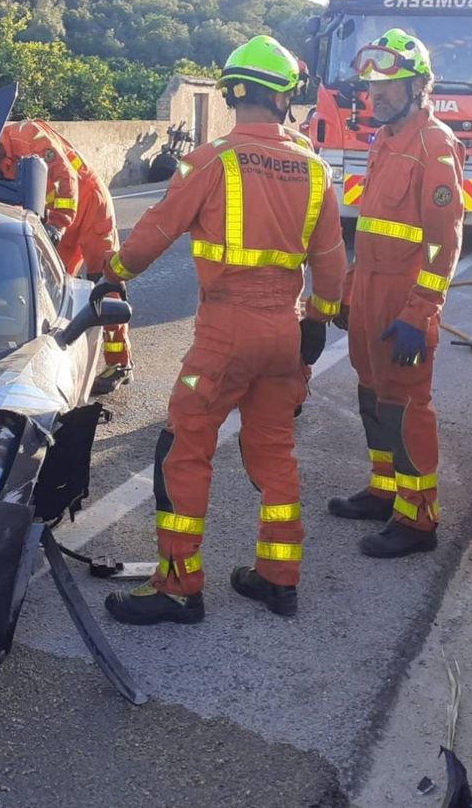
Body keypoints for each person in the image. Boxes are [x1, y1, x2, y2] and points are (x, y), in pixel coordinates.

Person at [100, 35, 347, 625]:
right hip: (284, 333)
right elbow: (333, 263)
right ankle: (278, 578)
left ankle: (180, 586)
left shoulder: (211, 161)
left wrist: (108, 274)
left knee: (186, 450)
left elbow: (154, 233)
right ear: (285, 98)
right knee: (274, 453)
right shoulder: (315, 170)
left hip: (225, 331)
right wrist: (318, 321)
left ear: (233, 93)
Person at [326, 28, 465, 559]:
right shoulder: (384, 141)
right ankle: (385, 491)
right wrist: (349, 289)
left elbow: (443, 240)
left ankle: (418, 519)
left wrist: (422, 309)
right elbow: (376, 228)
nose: (376, 95)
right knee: (372, 394)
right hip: (371, 295)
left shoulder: (435, 143)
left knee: (406, 406)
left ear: (418, 86)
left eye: (390, 84)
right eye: (370, 87)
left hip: (406, 302)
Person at [0, 118, 134, 394]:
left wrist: (58, 224)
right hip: (57, 222)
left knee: (103, 284)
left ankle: (120, 363)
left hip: (91, 206)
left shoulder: (27, 136)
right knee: (51, 289)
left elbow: (66, 178)